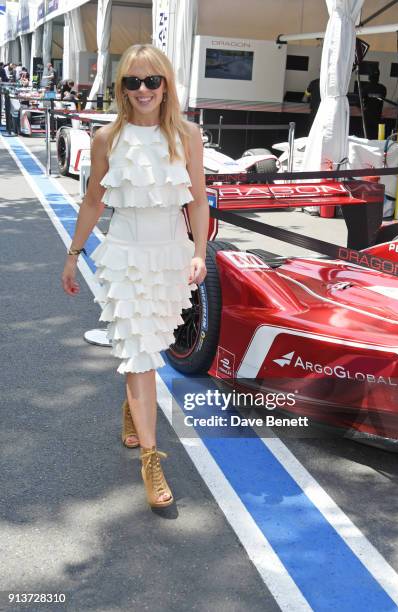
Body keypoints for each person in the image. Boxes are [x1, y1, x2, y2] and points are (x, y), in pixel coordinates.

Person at [61, 44, 209, 508]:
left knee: (152, 346)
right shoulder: (108, 138)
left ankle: (132, 406)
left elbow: (198, 201)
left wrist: (200, 253)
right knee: (140, 355)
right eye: (132, 82)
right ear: (121, 87)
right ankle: (151, 458)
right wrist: (73, 254)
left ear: (166, 85)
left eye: (152, 81)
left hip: (171, 256)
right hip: (125, 255)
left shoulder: (187, 135)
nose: (143, 90)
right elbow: (92, 202)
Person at [361, 69, 386, 139]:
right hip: (378, 117)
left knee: (366, 138)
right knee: (375, 138)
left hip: (367, 118)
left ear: (369, 77)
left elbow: (359, 102)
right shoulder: (383, 88)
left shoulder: (365, 88)